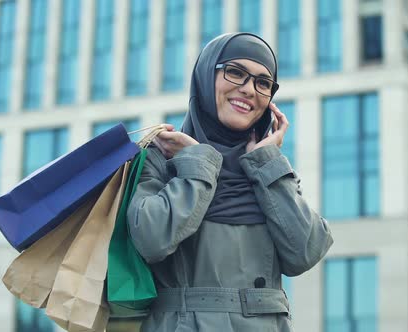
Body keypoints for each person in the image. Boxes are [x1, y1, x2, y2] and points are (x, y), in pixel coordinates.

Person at [127, 32, 333, 332]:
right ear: (205, 77)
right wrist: (197, 163)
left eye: (263, 83)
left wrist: (267, 164)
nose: (249, 89)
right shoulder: (163, 157)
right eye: (235, 73)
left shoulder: (265, 169)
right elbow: (151, 239)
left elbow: (304, 252)